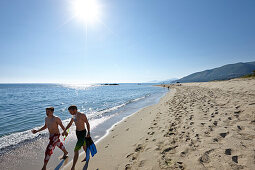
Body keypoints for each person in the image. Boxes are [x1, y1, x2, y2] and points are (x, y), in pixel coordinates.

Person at [62, 105, 90, 170]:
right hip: (78, 133)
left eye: (70, 111)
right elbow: (70, 123)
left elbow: (87, 123)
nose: (70, 113)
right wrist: (65, 130)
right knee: (84, 146)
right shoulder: (73, 116)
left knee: (76, 150)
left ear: (75, 110)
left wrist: (88, 132)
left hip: (83, 133)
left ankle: (73, 167)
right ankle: (87, 156)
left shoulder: (82, 115)